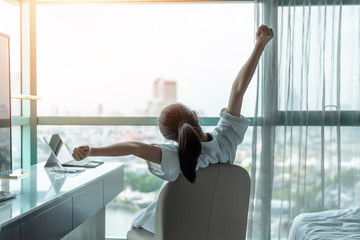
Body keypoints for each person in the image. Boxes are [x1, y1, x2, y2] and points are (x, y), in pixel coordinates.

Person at [72, 24, 274, 234]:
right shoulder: (226, 141)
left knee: (134, 230)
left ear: (170, 138)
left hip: (176, 232)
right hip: (218, 232)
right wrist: (260, 45)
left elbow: (133, 147)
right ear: (195, 116)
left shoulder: (173, 156)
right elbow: (238, 90)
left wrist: (92, 151)